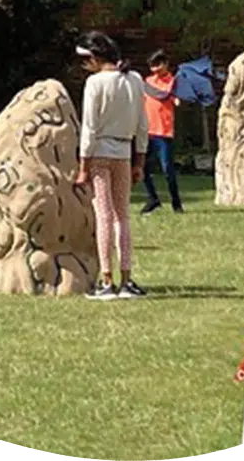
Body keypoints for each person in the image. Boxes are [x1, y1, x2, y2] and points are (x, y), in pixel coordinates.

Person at [74, 31, 149, 301]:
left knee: (104, 215)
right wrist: (140, 160)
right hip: (124, 151)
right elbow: (143, 124)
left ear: (94, 58)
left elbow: (89, 128)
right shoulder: (135, 80)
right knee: (122, 217)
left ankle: (107, 280)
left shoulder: (96, 83)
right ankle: (126, 279)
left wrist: (84, 165)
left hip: (101, 152)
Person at [141, 49, 184, 215]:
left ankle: (176, 203)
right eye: (152, 66)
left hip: (164, 132)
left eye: (158, 65)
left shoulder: (173, 82)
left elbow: (168, 96)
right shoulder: (148, 82)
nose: (155, 69)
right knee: (142, 168)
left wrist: (176, 99)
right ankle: (153, 199)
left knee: (168, 170)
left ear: (166, 64)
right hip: (147, 131)